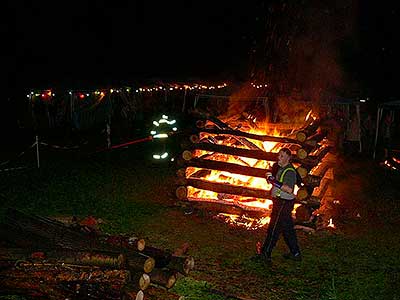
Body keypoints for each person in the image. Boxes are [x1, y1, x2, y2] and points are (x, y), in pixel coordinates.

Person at [258, 148, 301, 263]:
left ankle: (265, 254)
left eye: (282, 156)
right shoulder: (281, 168)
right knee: (287, 229)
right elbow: (275, 181)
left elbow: (289, 189)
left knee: (274, 228)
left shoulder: (290, 172)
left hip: (283, 203)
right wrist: (269, 177)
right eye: (279, 155)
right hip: (280, 201)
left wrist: (273, 181)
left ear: (288, 158)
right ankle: (295, 253)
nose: (279, 158)